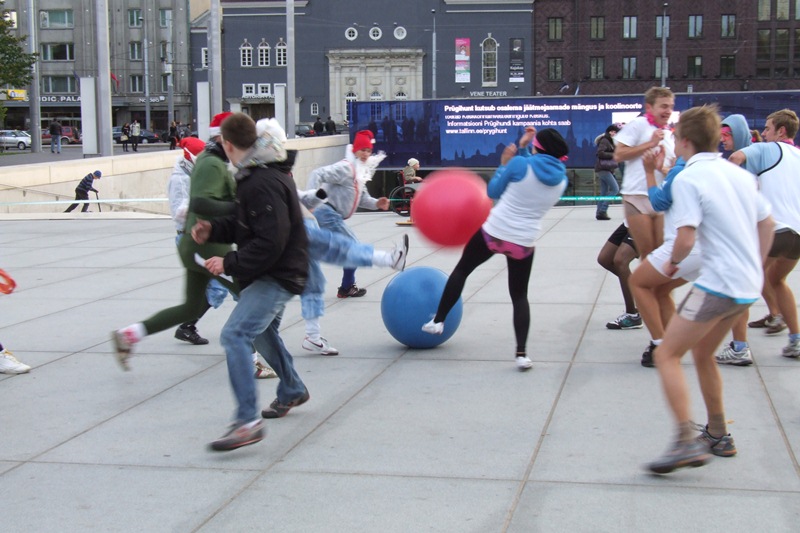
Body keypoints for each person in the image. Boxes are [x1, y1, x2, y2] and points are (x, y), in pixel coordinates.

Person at [646, 104, 774, 475]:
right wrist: (755, 264)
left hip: (719, 283)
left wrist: (672, 264)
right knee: (703, 353)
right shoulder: (738, 174)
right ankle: (718, 433)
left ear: (684, 141)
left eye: (675, 138)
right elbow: (766, 224)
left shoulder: (689, 178)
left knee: (667, 355)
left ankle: (684, 441)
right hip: (746, 284)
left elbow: (685, 237)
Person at [191, 112, 310, 451]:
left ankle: (247, 421)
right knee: (260, 331)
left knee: (235, 334)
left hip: (277, 274)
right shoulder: (258, 173)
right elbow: (249, 226)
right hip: (278, 270)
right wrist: (214, 230)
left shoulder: (260, 181)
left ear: (227, 144)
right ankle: (292, 389)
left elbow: (271, 241)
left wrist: (228, 261)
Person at [422, 128, 569, 372]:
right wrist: (523, 148)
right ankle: (521, 355)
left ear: (539, 147)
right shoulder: (561, 180)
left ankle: (437, 322)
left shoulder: (519, 164)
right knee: (519, 296)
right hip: (523, 242)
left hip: (494, 233)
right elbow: (532, 177)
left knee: (462, 270)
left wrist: (503, 164)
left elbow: (493, 191)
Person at [112, 112, 238, 371]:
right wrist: (240, 208)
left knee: (190, 308)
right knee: (249, 296)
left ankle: (130, 335)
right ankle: (251, 358)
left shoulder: (208, 161)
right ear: (225, 139)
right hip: (207, 247)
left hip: (195, 247)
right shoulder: (213, 165)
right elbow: (202, 203)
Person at [729, 109, 800, 360]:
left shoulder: (767, 148)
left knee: (741, 284)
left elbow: (736, 157)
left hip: (775, 230)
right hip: (797, 235)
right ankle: (796, 341)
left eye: (768, 128)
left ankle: (739, 349)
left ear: (781, 131)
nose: (764, 133)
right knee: (777, 280)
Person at [630, 152, 696, 368]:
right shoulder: (718, 168)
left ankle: (660, 346)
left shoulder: (680, 170)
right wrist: (663, 170)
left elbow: (658, 202)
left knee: (638, 282)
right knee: (661, 291)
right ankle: (673, 343)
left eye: (675, 139)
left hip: (684, 246)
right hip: (712, 250)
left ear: (685, 142)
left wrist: (649, 172)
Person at [307, 130, 390, 298]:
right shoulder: (346, 168)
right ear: (355, 150)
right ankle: (346, 287)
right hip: (327, 212)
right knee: (353, 247)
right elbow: (317, 173)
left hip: (333, 215)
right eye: (362, 150)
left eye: (368, 151)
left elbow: (363, 198)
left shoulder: (359, 172)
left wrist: (377, 203)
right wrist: (311, 200)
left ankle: (346, 286)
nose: (366, 154)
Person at [714, 114, 762, 366]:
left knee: (736, 294)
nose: (723, 139)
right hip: (743, 236)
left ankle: (740, 347)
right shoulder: (744, 159)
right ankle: (739, 345)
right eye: (721, 135)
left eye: (727, 134)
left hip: (741, 236)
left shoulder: (743, 161)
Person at [614, 87, 676, 260]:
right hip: (636, 197)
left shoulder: (669, 134)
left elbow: (667, 169)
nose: (668, 111)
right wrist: (650, 144)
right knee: (648, 254)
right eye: (663, 106)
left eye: (671, 107)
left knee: (662, 255)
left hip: (660, 199)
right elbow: (619, 155)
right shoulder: (639, 124)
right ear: (649, 107)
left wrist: (664, 168)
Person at [599, 222, 641, 330]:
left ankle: (632, 315)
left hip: (644, 220)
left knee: (620, 261)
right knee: (605, 259)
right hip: (630, 221)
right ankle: (643, 294)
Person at [594, 124, 620, 220]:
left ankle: (599, 213)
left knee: (604, 192)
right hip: (603, 168)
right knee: (615, 189)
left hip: (606, 169)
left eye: (615, 132)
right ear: (608, 132)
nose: (614, 133)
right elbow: (600, 153)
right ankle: (603, 210)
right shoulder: (605, 140)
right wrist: (614, 154)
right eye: (612, 131)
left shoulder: (611, 141)